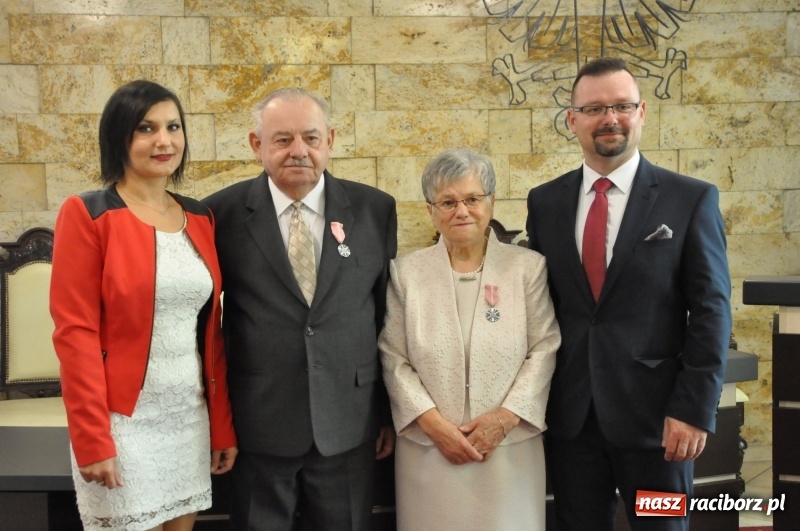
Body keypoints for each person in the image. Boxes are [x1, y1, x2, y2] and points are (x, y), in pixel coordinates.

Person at [526, 57, 732, 531]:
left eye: (621, 106)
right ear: (572, 119)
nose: (609, 118)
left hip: (660, 423)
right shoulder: (546, 202)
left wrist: (694, 410)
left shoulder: (690, 199)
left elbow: (711, 309)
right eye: (594, 108)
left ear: (642, 113)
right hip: (572, 420)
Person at [203, 87, 397, 531]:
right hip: (259, 424)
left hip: (349, 422)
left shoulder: (373, 209)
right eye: (282, 139)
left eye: (310, 138)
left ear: (329, 139)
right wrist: (219, 421)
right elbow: (209, 328)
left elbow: (387, 318)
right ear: (257, 145)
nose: (299, 151)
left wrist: (386, 413)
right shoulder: (220, 214)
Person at [50, 80, 238, 531]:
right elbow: (74, 334)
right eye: (146, 128)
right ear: (119, 138)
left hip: (187, 418)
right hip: (122, 424)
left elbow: (210, 333)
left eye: (173, 126)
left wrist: (221, 425)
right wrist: (92, 439)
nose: (164, 140)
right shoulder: (88, 213)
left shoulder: (200, 216)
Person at [379, 148, 561, 531]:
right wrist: (433, 425)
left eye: (472, 199)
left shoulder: (526, 268)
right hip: (429, 448)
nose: (461, 211)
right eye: (447, 201)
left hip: (508, 447)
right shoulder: (406, 274)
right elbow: (393, 356)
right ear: (431, 210)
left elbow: (544, 347)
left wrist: (503, 420)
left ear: (490, 202)